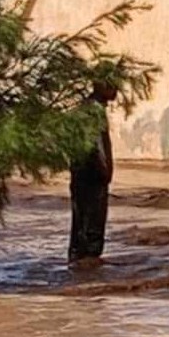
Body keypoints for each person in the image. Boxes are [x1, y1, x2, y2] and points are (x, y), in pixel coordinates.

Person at [68, 82, 119, 265]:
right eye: (113, 85)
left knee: (84, 223)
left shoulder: (90, 109)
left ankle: (81, 264)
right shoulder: (91, 112)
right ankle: (86, 266)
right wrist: (104, 171)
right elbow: (93, 148)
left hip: (89, 176)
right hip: (91, 176)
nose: (116, 90)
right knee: (90, 225)